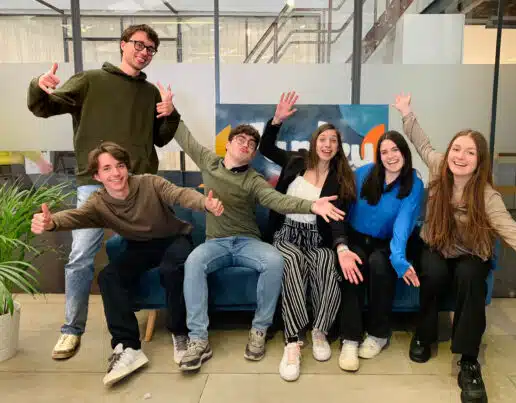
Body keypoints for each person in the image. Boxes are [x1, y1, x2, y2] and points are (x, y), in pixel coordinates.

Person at [393, 93, 516, 403]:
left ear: (479, 161)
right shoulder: (439, 166)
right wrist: (406, 112)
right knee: (433, 273)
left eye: (470, 152)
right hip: (437, 245)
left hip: (471, 253)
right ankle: (424, 336)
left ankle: (468, 360)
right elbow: (421, 142)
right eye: (457, 149)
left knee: (470, 278)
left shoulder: (487, 197)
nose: (460, 156)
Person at [27, 24, 181, 360]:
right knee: (81, 256)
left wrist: (171, 114)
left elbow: (160, 138)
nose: (144, 52)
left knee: (149, 251)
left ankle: (145, 326)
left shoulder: (150, 93)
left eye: (150, 49)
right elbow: (43, 107)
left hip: (138, 186)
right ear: (123, 44)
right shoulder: (90, 80)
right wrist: (39, 85)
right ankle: (71, 330)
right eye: (139, 45)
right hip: (95, 184)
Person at [31, 142, 224, 386]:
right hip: (139, 246)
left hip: (173, 239)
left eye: (120, 166)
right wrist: (51, 222)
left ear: (127, 168)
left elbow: (179, 194)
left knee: (172, 269)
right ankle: (128, 347)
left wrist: (204, 203)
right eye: (107, 168)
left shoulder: (149, 183)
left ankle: (180, 332)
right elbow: (77, 217)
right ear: (97, 176)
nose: (116, 173)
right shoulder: (98, 202)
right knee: (108, 277)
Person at [172, 120, 346, 372]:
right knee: (193, 261)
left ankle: (260, 330)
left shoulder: (254, 179)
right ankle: (198, 339)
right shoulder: (209, 162)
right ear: (228, 144)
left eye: (252, 143)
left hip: (248, 242)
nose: (246, 145)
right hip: (215, 243)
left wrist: (311, 205)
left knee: (275, 260)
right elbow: (185, 138)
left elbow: (277, 200)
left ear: (253, 154)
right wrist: (171, 113)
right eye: (240, 140)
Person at [259, 92, 357, 381]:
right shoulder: (295, 160)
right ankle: (292, 341)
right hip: (287, 235)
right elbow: (266, 147)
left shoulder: (341, 178)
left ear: (338, 147)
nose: (327, 145)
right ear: (314, 142)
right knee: (291, 263)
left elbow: (337, 219)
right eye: (323, 139)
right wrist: (276, 120)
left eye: (333, 141)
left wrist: (341, 248)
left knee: (326, 263)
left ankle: (320, 330)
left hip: (318, 238)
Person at [336, 130, 424, 373]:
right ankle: (350, 339)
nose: (390, 156)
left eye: (395, 150)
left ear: (404, 152)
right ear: (379, 155)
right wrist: (341, 244)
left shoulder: (414, 184)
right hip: (356, 237)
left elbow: (403, 224)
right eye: (384, 152)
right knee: (353, 268)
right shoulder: (364, 173)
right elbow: (342, 208)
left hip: (387, 243)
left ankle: (378, 334)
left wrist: (399, 259)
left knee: (379, 264)